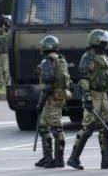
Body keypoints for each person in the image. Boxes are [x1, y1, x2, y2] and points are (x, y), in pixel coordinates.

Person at [67, 29, 108, 170]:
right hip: (93, 94)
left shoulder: (103, 56)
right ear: (96, 41)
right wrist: (87, 98)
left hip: (103, 94)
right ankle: (73, 158)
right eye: (103, 40)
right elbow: (84, 79)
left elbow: (107, 79)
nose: (105, 42)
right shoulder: (88, 57)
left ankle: (107, 160)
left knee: (106, 127)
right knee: (88, 127)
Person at [35, 35, 71, 168]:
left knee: (57, 128)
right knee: (43, 126)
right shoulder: (61, 60)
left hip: (51, 98)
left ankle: (59, 159)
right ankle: (48, 157)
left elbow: (48, 84)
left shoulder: (46, 61)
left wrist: (40, 103)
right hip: (60, 96)